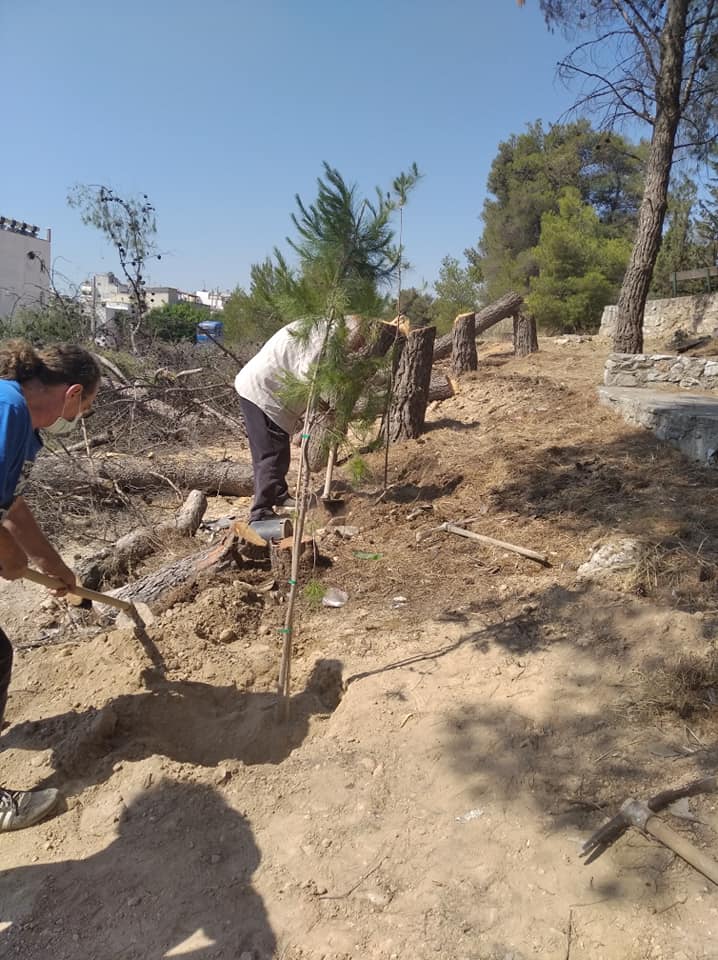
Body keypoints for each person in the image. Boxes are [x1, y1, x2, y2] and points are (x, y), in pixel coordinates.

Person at [0, 339, 101, 831]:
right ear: (72, 393)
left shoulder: (20, 421)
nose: (80, 417)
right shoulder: (9, 409)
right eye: (86, 407)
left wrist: (51, 563)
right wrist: (8, 554)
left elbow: (10, 503)